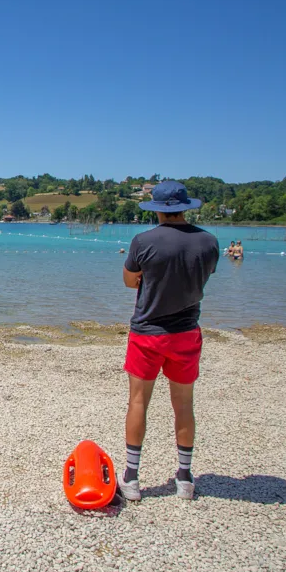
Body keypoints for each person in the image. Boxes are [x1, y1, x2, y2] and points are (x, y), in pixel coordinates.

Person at [119, 181, 219, 502]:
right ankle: (185, 479)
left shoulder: (143, 241)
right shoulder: (209, 242)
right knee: (184, 405)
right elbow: (205, 274)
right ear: (186, 207)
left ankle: (132, 480)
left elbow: (128, 281)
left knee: (138, 402)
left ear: (158, 210)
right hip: (186, 333)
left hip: (147, 333)